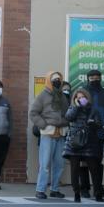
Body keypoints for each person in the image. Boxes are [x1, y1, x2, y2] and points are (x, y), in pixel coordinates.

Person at [29, 71, 70, 199]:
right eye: (54, 80)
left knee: (59, 164)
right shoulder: (42, 95)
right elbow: (33, 113)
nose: (57, 82)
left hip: (61, 133)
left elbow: (67, 113)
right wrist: (44, 125)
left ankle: (54, 189)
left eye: (59, 79)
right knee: (45, 163)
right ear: (49, 81)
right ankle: (40, 190)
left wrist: (65, 122)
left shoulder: (63, 97)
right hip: (47, 133)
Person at [63, 89, 102, 202]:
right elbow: (68, 118)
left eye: (83, 97)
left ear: (87, 97)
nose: (81, 99)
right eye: (78, 97)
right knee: (74, 169)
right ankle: (76, 193)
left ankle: (98, 193)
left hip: (89, 141)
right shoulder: (73, 108)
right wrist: (76, 106)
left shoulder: (93, 109)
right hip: (75, 141)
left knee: (94, 168)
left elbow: (99, 124)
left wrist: (93, 123)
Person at [81, 69, 104, 199]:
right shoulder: (82, 93)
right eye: (92, 77)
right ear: (88, 79)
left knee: (98, 161)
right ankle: (84, 188)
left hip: (100, 132)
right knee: (84, 161)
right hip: (85, 132)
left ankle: (98, 188)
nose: (95, 80)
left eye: (97, 77)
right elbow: (79, 109)